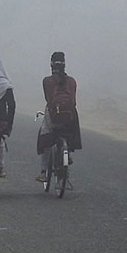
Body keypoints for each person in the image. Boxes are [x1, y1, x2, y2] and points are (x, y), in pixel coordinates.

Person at [36, 51, 82, 182]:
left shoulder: (47, 81)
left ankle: (43, 172)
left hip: (53, 116)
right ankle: (69, 153)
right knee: (71, 129)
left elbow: (48, 99)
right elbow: (73, 100)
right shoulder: (72, 81)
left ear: (51, 65)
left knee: (45, 137)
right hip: (70, 117)